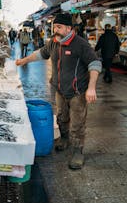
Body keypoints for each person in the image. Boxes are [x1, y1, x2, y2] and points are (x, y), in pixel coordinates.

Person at [16, 13, 102, 170]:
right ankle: (64, 139)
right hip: (59, 90)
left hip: (77, 92)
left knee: (77, 123)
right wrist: (24, 60)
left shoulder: (80, 44)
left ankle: (77, 152)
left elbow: (95, 63)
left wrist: (91, 87)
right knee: (62, 117)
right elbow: (40, 54)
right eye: (54, 26)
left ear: (69, 28)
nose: (55, 29)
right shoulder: (53, 43)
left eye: (59, 27)